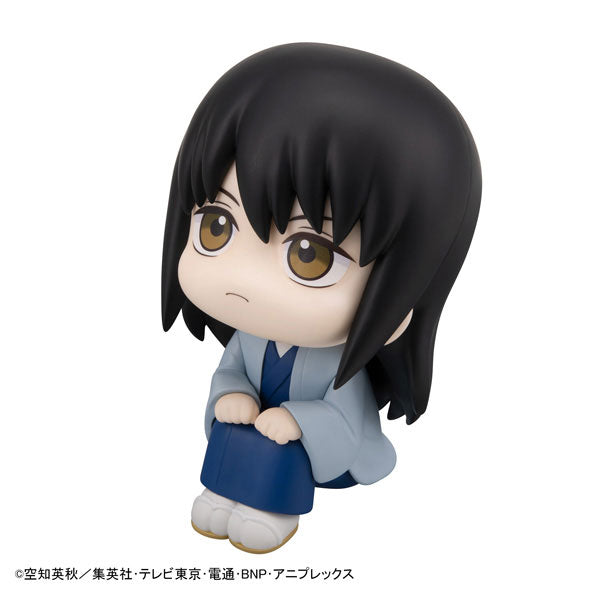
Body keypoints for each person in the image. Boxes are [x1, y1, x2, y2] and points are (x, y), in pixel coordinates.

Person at [161, 43, 481, 553]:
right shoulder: (249, 340)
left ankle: (273, 511)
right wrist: (230, 395)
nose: (244, 280)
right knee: (233, 424)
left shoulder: (337, 364)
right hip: (254, 441)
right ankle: (221, 492)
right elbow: (230, 374)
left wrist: (296, 422)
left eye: (309, 256)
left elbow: (343, 422)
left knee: (279, 444)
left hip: (322, 461)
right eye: (216, 226)